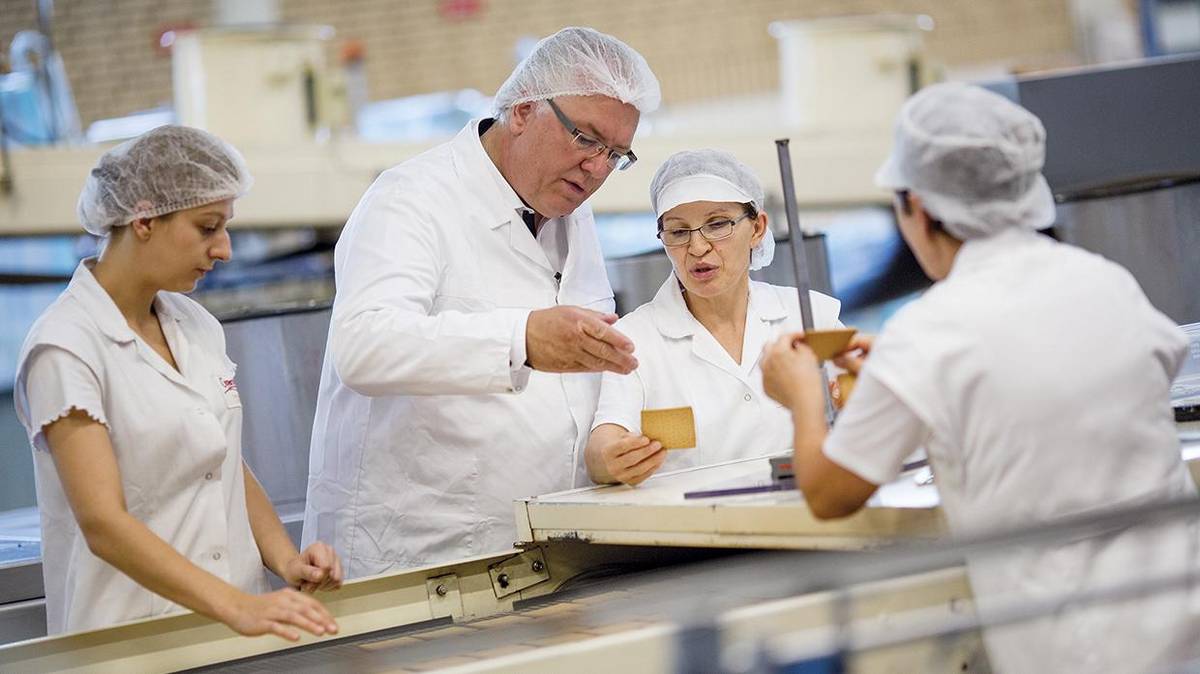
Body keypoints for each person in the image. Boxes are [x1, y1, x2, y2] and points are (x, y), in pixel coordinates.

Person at [759, 83, 1200, 672]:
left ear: (914, 206)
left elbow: (829, 493)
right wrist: (898, 378)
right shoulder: (1104, 279)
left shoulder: (931, 331)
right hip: (1180, 617)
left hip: (1073, 644)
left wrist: (802, 395)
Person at [302, 27, 661, 576]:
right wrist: (521, 339)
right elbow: (363, 345)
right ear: (522, 110)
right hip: (425, 557)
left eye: (616, 154)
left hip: (549, 547)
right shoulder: (411, 199)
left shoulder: (567, 209)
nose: (597, 169)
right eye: (586, 139)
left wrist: (606, 438)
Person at [14, 126, 343, 639]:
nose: (225, 250)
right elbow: (103, 524)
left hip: (229, 637)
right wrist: (234, 606)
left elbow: (220, 459)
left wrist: (286, 559)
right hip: (132, 642)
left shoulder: (194, 324)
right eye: (208, 227)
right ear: (143, 219)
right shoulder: (66, 346)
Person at [585, 149, 841, 485]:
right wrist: (610, 459)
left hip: (808, 519)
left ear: (758, 227)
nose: (698, 247)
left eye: (717, 224)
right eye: (678, 232)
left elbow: (864, 405)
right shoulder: (636, 338)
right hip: (696, 531)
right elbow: (602, 445)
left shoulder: (811, 317)